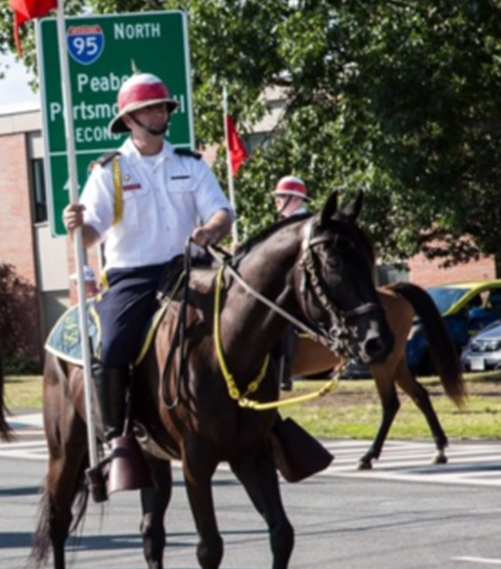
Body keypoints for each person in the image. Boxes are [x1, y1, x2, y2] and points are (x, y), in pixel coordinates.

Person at [62, 72, 235, 444]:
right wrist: (77, 227)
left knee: (249, 316)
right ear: (129, 119)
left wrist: (212, 229)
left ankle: (265, 418)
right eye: (149, 109)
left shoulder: (191, 163)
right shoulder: (110, 170)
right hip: (134, 277)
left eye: (163, 107)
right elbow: (92, 232)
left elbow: (222, 211)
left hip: (191, 270)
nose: (159, 114)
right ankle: (118, 436)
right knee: (113, 344)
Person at [271, 176, 313, 390]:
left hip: (302, 285)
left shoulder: (304, 225)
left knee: (281, 318)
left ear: (295, 199)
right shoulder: (286, 225)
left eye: (281, 197)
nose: (276, 201)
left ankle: (284, 373)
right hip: (287, 283)